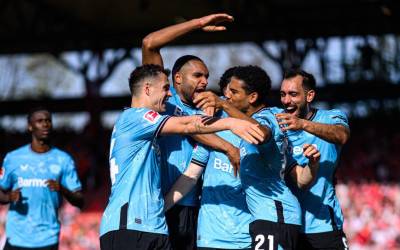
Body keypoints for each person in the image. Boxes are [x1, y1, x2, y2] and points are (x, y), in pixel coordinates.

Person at [99, 64, 264, 250]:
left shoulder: (148, 137)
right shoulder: (134, 118)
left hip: (154, 226)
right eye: (164, 88)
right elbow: (187, 125)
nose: (169, 94)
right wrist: (230, 123)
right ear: (147, 89)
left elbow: (190, 174)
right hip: (128, 225)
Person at [193, 65, 320, 249]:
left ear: (252, 97)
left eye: (234, 92)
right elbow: (194, 127)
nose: (227, 96)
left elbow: (261, 134)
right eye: (226, 92)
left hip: (275, 213)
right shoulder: (243, 123)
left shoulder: (270, 116)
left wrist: (223, 106)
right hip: (264, 217)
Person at [142, 13, 239, 250]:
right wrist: (198, 24)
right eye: (197, 75)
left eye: (206, 76)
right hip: (157, 203)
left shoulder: (214, 110)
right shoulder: (164, 101)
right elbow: (149, 43)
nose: (204, 81)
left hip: (195, 207)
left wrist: (219, 109)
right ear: (177, 78)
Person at [276, 69, 350, 250]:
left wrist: (303, 125)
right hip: (287, 226)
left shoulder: (331, 117)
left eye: (293, 94)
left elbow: (342, 136)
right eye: (283, 94)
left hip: (323, 225)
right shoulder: (275, 123)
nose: (286, 101)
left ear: (309, 96)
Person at [0, 107, 84, 250]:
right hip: (16, 237)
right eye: (40, 121)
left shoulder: (63, 160)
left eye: (48, 121)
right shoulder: (13, 158)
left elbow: (80, 201)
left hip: (47, 238)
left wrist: (62, 188)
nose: (45, 124)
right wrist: (9, 197)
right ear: (30, 126)